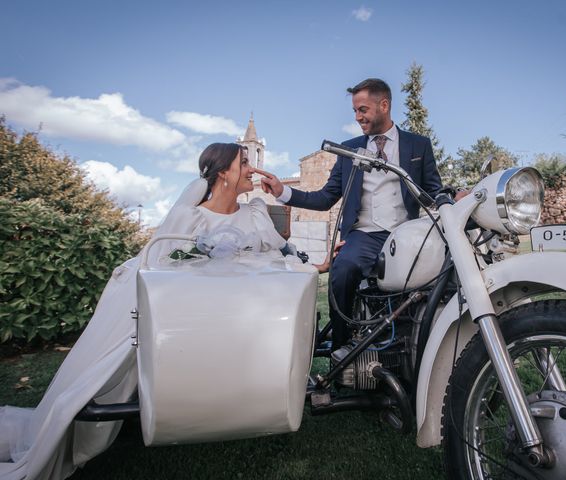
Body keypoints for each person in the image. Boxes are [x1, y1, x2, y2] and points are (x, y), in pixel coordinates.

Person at [0, 143, 302, 480]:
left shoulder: (255, 213)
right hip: (187, 303)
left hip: (239, 306)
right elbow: (163, 264)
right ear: (222, 173)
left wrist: (315, 264)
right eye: (243, 163)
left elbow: (279, 254)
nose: (252, 169)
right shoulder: (190, 217)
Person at [260, 78, 443, 349]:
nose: (358, 117)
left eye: (363, 110)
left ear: (384, 105)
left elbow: (433, 190)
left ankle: (419, 345)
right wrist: (282, 192)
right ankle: (343, 349)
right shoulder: (348, 150)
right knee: (343, 269)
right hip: (364, 235)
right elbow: (324, 198)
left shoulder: (418, 145)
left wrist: (451, 199)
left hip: (407, 234)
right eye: (355, 111)